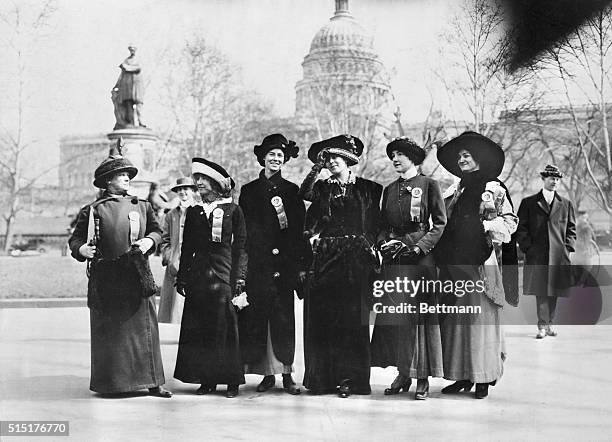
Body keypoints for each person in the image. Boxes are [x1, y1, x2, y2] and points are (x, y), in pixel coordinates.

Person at [68, 141, 171, 398]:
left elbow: (157, 231)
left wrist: (151, 240)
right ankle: (112, 383)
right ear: (107, 181)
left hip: (137, 274)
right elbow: (76, 239)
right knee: (111, 331)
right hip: (106, 278)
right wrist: (82, 250)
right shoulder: (92, 211)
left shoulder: (143, 206)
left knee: (145, 329)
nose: (126, 178)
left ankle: (153, 381)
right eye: (120, 175)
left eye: (128, 175)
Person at [435, 131, 518, 399]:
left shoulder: (494, 188)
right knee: (456, 319)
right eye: (459, 156)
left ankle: (483, 376)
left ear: (479, 159)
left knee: (480, 319)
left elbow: (509, 223)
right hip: (454, 262)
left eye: (466, 155)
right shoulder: (454, 190)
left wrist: (483, 226)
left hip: (482, 261)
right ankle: (462, 376)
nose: (461, 159)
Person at [299, 134, 382, 398]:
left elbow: (375, 225)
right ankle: (323, 379)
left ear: (349, 161)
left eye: (338, 158)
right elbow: (304, 194)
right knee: (325, 319)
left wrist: (371, 249)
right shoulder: (322, 188)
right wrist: (316, 168)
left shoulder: (370, 189)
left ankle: (351, 380)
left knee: (351, 321)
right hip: (326, 257)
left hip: (357, 260)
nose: (333, 162)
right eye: (329, 158)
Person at [370, 137, 446, 400]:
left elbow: (439, 223)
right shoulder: (389, 190)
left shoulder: (429, 185)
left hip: (420, 259)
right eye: (392, 155)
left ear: (413, 158)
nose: (395, 159)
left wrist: (419, 247)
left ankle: (422, 376)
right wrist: (383, 243)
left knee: (420, 318)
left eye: (400, 154)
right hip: (394, 258)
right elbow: (381, 225)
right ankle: (403, 373)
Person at [238, 134, 310, 395]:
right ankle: (267, 374)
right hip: (259, 264)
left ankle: (287, 373)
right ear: (263, 158)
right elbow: (245, 230)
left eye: (280, 156)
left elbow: (299, 230)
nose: (276, 159)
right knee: (259, 317)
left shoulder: (291, 191)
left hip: (285, 265)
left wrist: (299, 264)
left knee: (283, 318)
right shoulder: (248, 191)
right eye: (272, 155)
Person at [174, 158, 247, 398]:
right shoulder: (194, 212)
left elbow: (241, 248)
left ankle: (232, 381)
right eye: (196, 179)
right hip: (198, 278)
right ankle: (207, 379)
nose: (198, 183)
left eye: (203, 179)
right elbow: (187, 248)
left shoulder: (232, 210)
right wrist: (183, 277)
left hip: (223, 275)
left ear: (216, 182)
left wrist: (239, 279)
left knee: (226, 329)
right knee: (202, 328)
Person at [516, 165, 576, 339]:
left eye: (557, 179)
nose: (554, 182)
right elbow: (521, 228)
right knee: (541, 290)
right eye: (551, 178)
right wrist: (528, 248)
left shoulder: (566, 204)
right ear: (543, 179)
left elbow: (571, 229)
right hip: (537, 255)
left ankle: (550, 323)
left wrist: (567, 248)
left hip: (559, 256)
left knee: (554, 291)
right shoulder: (529, 203)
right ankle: (542, 326)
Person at [158, 177, 196, 324]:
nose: (182, 192)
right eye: (179, 190)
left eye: (186, 189)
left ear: (193, 191)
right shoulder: (171, 215)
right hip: (175, 263)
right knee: (175, 305)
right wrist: (169, 257)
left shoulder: (200, 210)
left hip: (194, 262)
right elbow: (164, 239)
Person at [112, 45, 145, 128]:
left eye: (133, 49)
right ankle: (130, 122)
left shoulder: (138, 60)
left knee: (138, 104)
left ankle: (141, 122)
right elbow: (121, 76)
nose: (132, 51)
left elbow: (138, 68)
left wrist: (127, 67)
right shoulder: (126, 60)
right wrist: (116, 86)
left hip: (136, 86)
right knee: (128, 104)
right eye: (131, 50)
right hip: (127, 87)